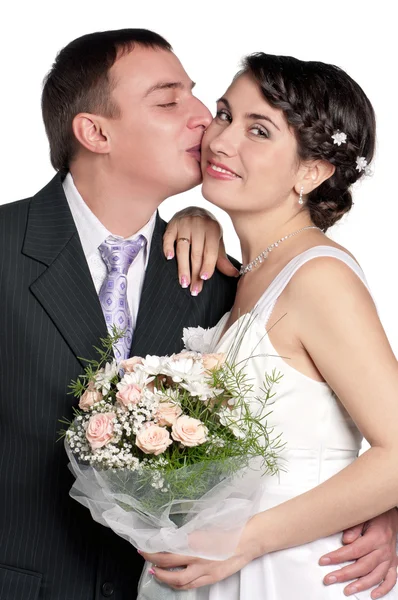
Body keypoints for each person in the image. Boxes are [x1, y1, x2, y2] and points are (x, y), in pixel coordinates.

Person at [142, 52, 398, 599]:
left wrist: (249, 540)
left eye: (258, 130)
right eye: (224, 113)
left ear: (313, 171)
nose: (221, 140)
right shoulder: (249, 270)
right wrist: (195, 219)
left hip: (291, 573)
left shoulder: (319, 278)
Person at [0, 29, 239, 600]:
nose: (203, 117)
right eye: (168, 100)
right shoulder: (6, 247)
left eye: (196, 95)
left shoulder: (212, 273)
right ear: (95, 131)